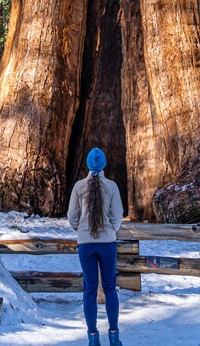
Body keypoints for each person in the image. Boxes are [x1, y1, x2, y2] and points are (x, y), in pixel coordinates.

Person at [68, 148, 125, 346]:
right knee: (110, 288)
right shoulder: (111, 186)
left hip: (86, 246)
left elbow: (72, 216)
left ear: (88, 164)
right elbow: (117, 215)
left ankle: (93, 336)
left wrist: (82, 230)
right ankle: (114, 335)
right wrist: (110, 230)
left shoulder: (78, 186)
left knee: (90, 289)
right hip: (107, 244)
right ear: (103, 165)